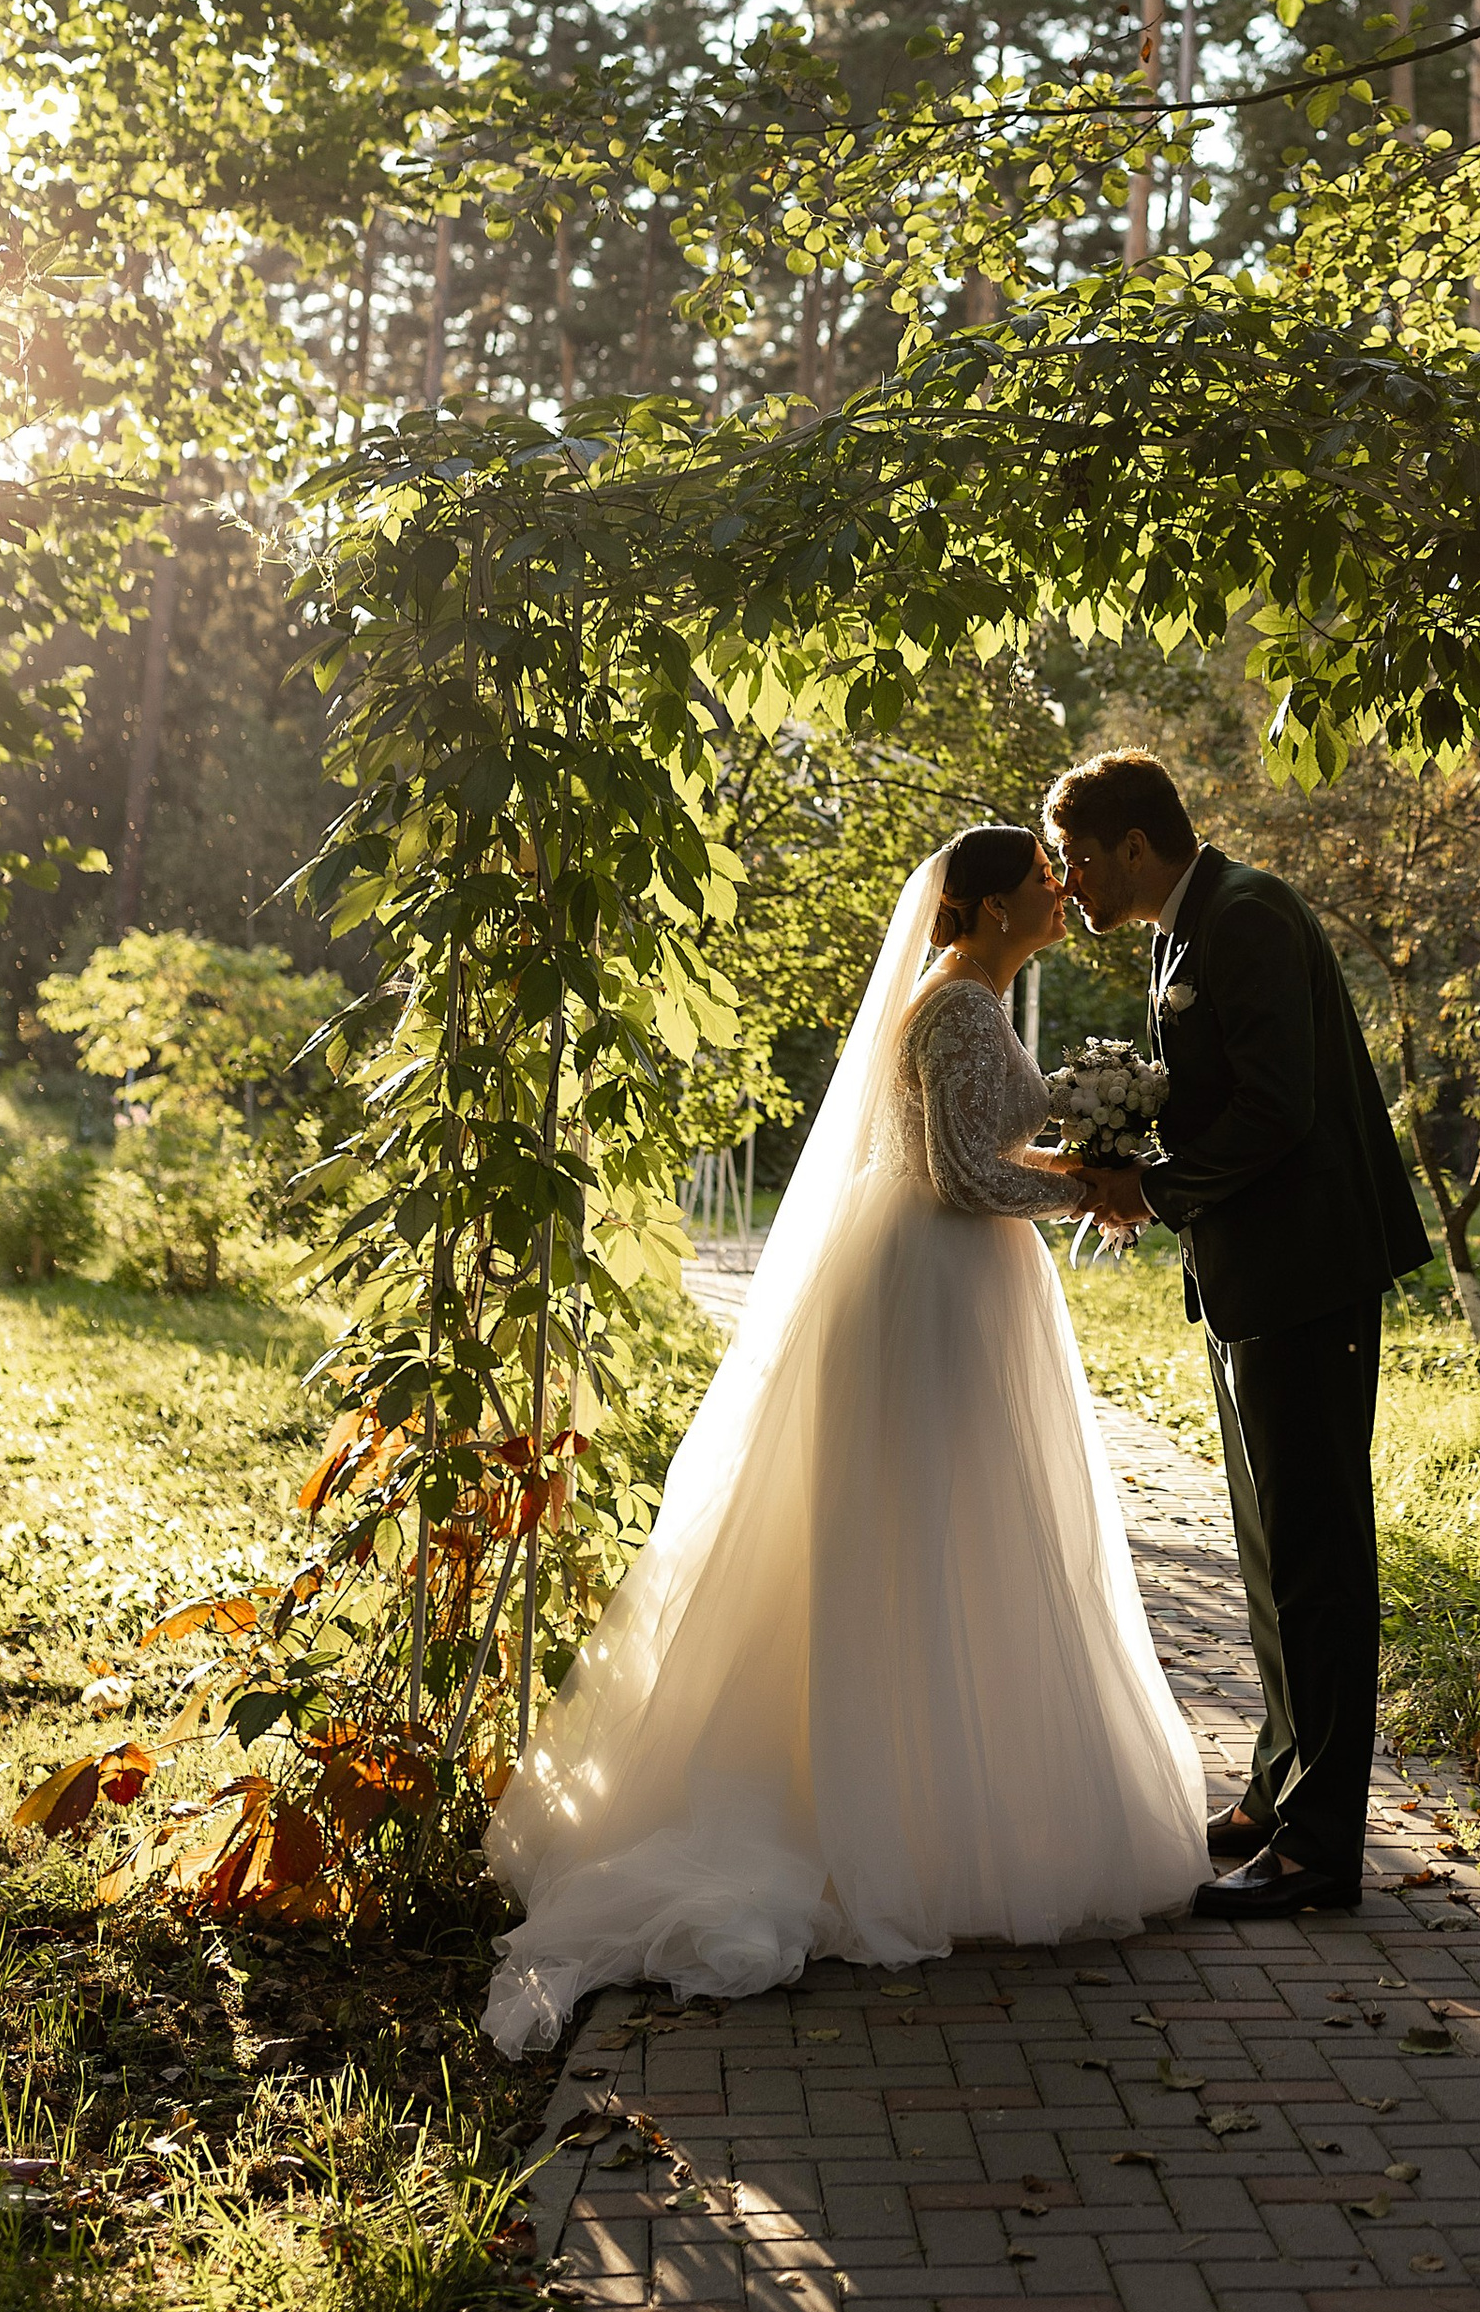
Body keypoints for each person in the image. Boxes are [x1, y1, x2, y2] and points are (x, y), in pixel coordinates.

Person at [481, 826, 1205, 2051]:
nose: (1059, 889)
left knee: (944, 1535)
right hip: (940, 1283)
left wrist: (1088, 1145)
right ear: (980, 909)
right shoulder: (962, 1010)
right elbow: (967, 1180)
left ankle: (932, 1802)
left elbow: (977, 1154)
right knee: (941, 1533)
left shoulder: (971, 998)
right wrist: (1091, 1184)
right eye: (1039, 879)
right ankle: (909, 1824)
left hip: (946, 1283)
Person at [1046, 751, 1432, 1917]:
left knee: (1317, 1550)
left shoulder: (1248, 913)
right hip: (1249, 1277)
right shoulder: (1182, 928)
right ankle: (1279, 1786)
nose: (1067, 885)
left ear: (1129, 843)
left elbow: (1279, 1106)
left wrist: (1150, 1190)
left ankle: (1321, 1849)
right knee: (1268, 1547)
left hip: (1307, 1273)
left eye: (1075, 858)